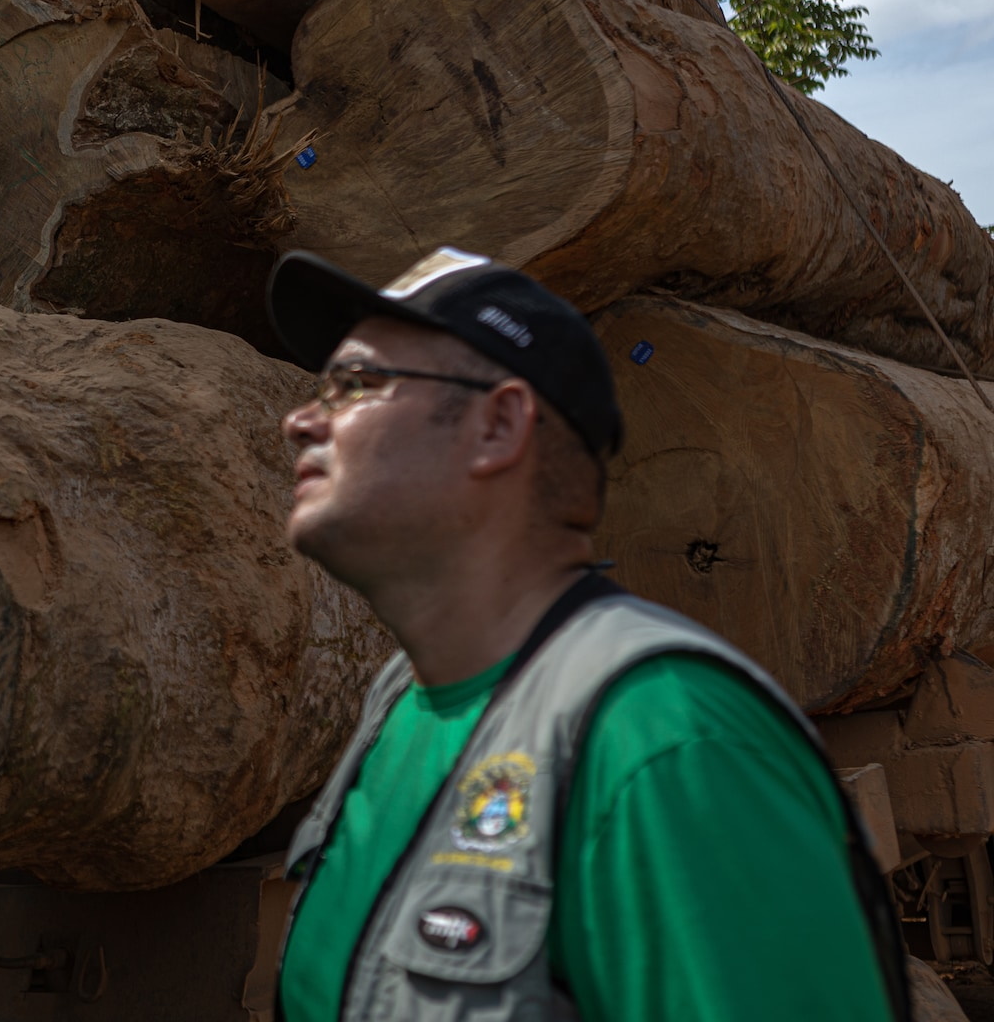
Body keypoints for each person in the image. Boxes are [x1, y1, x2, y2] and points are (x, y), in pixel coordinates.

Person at [265, 246, 908, 1022]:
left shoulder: (667, 741)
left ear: (497, 426)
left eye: (354, 386)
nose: (301, 419)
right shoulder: (401, 704)